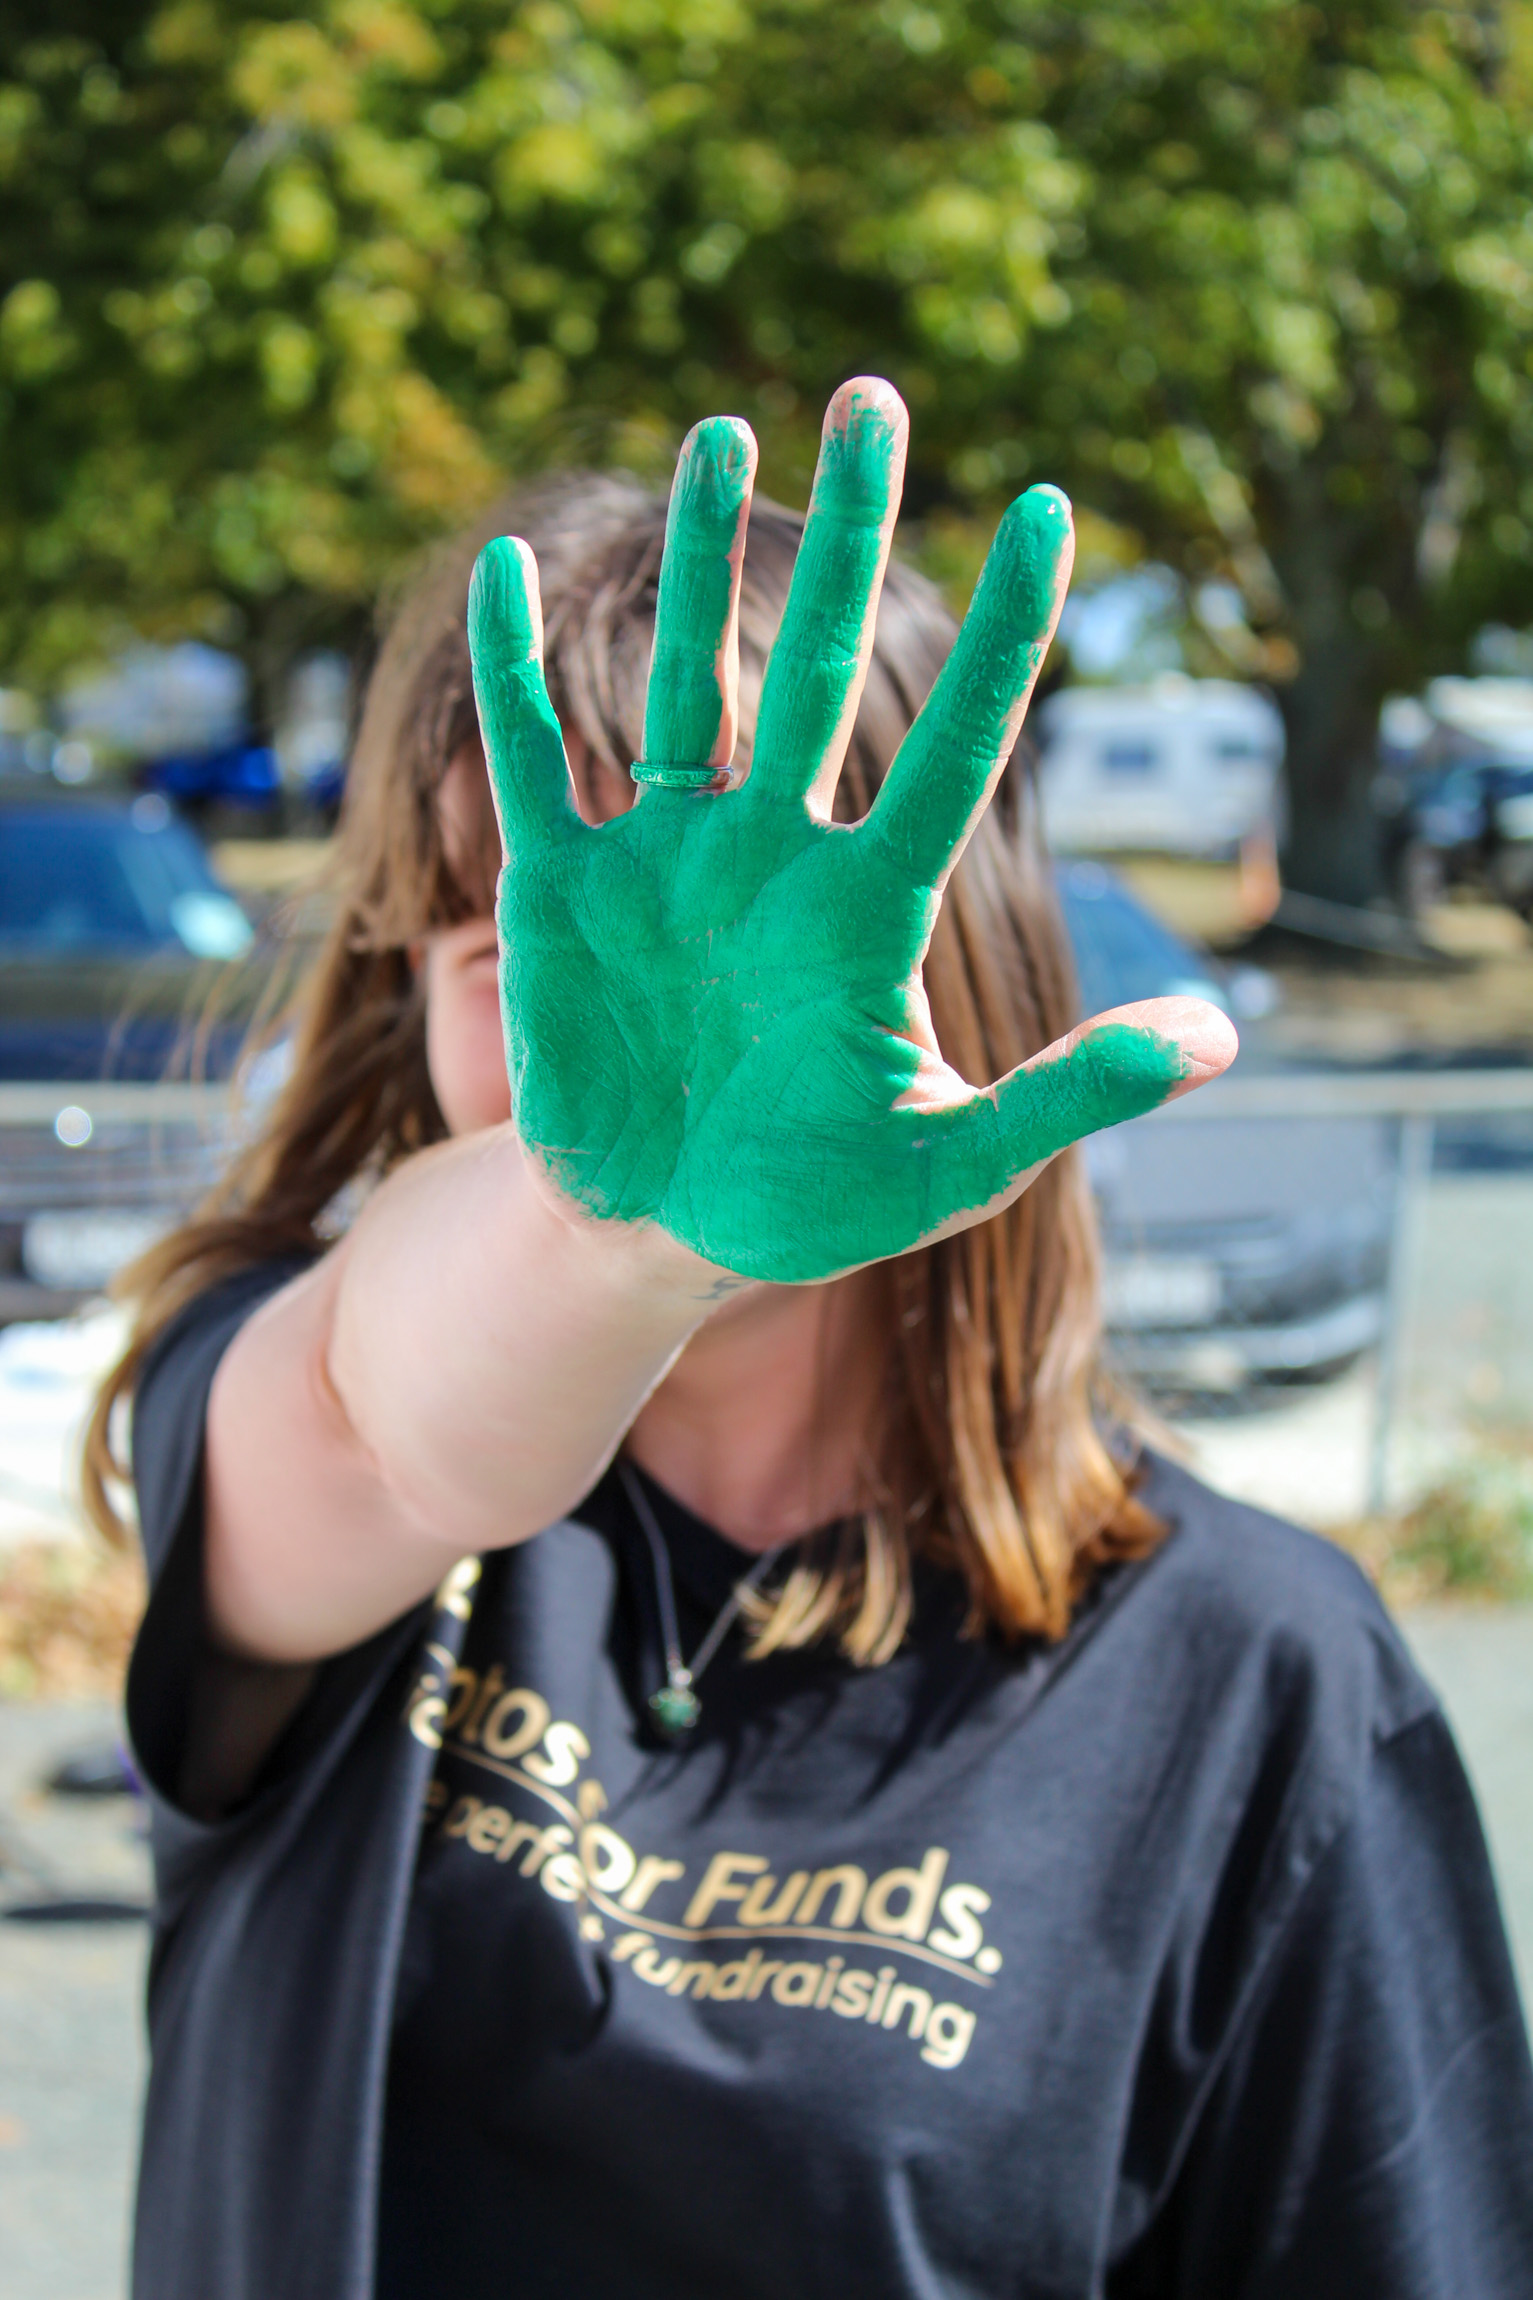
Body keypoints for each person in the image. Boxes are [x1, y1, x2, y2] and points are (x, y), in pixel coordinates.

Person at [87, 380, 1533, 2300]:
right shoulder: (304, 1433)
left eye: (745, 943)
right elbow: (374, 1423)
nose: (642, 1023)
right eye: (503, 953)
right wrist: (624, 1233)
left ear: (960, 955)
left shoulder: (1254, 1683)